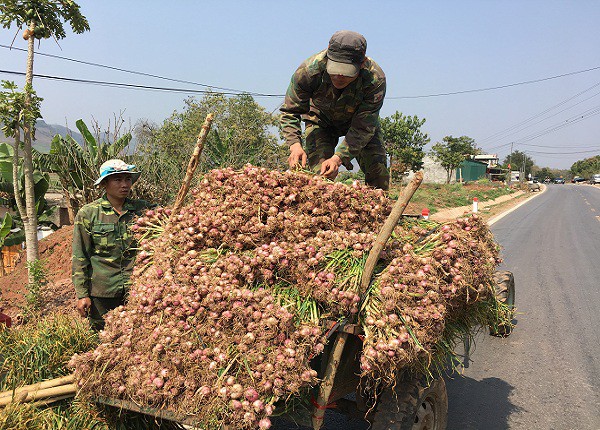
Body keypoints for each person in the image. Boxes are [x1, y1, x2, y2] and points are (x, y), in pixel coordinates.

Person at [280, 30, 390, 190]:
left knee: (378, 174)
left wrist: (338, 159)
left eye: (346, 72)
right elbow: (291, 111)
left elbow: (363, 127)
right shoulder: (308, 71)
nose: (339, 76)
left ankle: (380, 213)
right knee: (320, 178)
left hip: (358, 124)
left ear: (362, 63)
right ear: (328, 56)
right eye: (335, 69)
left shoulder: (375, 80)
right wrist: (295, 145)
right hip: (320, 121)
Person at [72, 159, 153, 331]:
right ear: (104, 184)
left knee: (137, 336)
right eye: (117, 180)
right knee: (103, 339)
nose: (124, 185)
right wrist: (82, 294)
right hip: (103, 292)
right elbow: (80, 257)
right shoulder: (88, 214)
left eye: (128, 179)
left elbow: (172, 216)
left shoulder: (143, 210)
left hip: (137, 289)